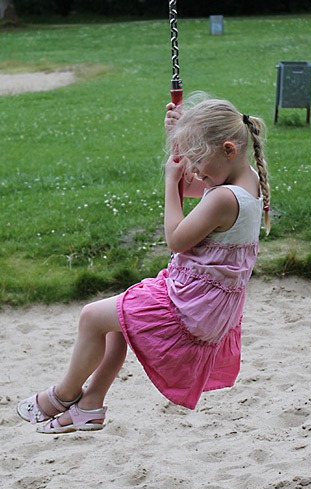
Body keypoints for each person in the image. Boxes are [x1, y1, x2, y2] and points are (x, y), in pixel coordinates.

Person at [17, 92, 271, 433]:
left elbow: (176, 237)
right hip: (205, 302)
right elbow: (192, 186)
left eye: (198, 159)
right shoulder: (246, 178)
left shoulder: (225, 198)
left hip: (191, 305)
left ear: (228, 149)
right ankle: (89, 406)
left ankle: (62, 396)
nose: (195, 170)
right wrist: (179, 138)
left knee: (91, 317)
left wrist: (170, 179)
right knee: (116, 325)